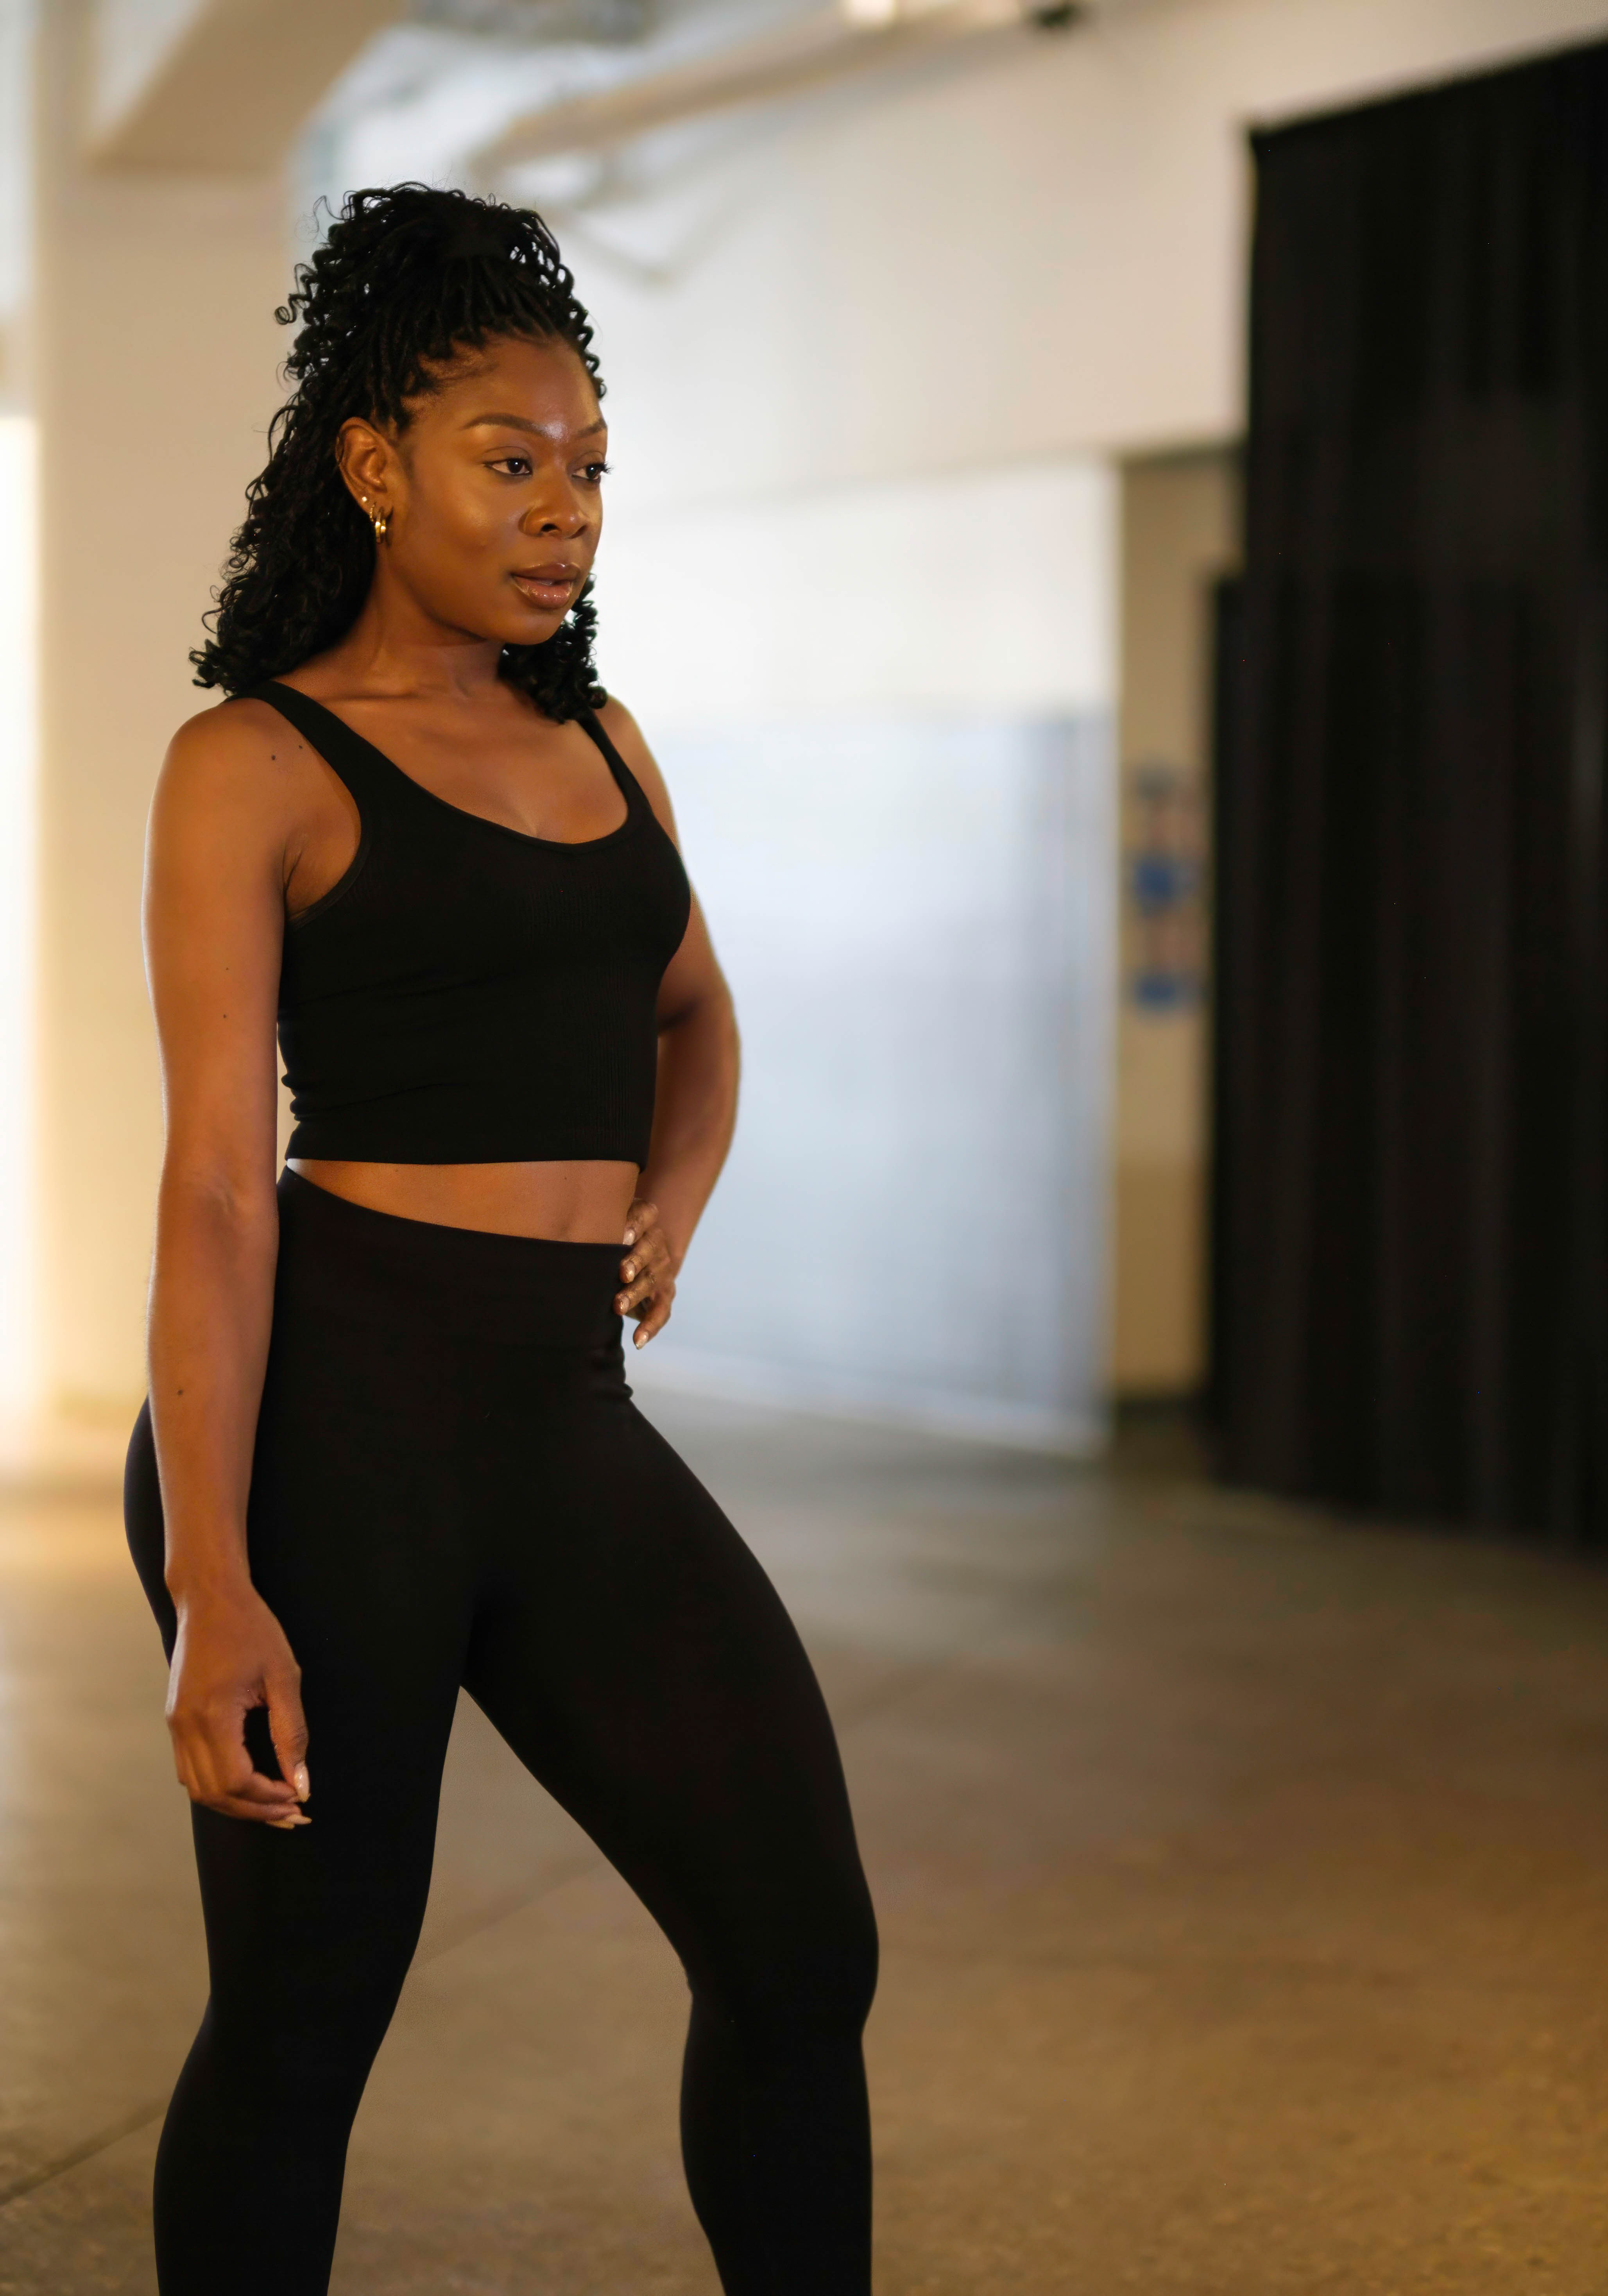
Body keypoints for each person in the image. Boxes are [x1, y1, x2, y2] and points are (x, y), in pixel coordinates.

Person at [122, 183, 878, 2296]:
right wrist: (212, 1580)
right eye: (511, 462)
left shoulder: (600, 741)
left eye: (591, 469)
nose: (568, 513)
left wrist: (672, 1192)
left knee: (800, 1944)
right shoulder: (251, 764)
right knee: (305, 2017)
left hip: (560, 1403)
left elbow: (697, 1013)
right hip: (334, 1422)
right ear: (376, 469)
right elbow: (215, 1189)